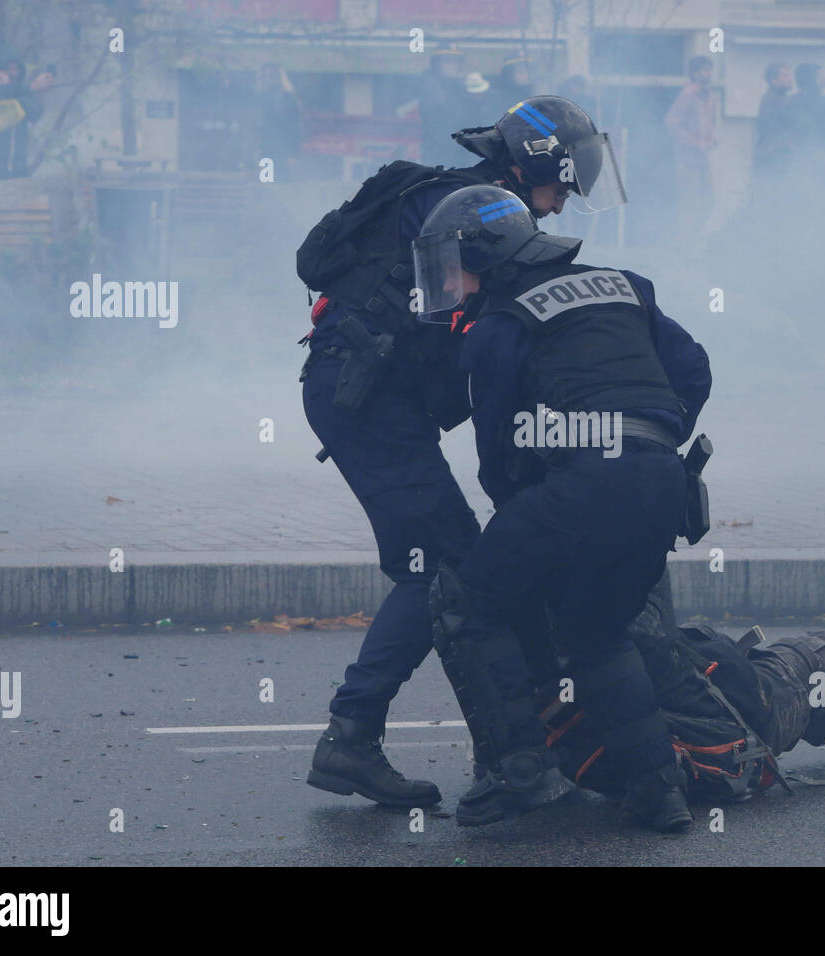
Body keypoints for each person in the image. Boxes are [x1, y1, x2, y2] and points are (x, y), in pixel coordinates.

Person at [297, 98, 627, 809]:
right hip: (366, 398)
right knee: (442, 570)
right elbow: (488, 325)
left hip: (369, 396)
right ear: (533, 166)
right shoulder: (477, 212)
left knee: (444, 567)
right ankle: (356, 737)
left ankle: (496, 744)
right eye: (562, 185)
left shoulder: (465, 199)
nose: (563, 202)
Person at [413, 185, 712, 831]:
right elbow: (693, 370)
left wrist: (531, 515)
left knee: (467, 602)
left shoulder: (496, 326)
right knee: (597, 632)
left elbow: (497, 450)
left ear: (488, 258)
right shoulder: (625, 284)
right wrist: (652, 442)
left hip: (582, 486)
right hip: (662, 482)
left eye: (453, 267)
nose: (450, 284)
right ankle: (660, 792)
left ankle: (519, 770)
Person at [543, 587, 825, 801]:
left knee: (775, 676)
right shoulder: (617, 617)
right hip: (747, 727)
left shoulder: (541, 673)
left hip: (688, 770)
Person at [664, 56, 719, 240]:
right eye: (705, 70)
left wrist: (712, 139)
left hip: (703, 157)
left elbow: (710, 124)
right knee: (689, 202)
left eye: (710, 69)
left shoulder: (710, 96)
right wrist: (693, 142)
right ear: (695, 73)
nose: (709, 73)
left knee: (710, 200)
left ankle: (696, 239)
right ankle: (683, 244)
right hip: (688, 158)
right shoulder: (688, 94)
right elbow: (671, 122)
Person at [0, 55, 43, 179]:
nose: (14, 73)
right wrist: (8, 90)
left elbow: (35, 112)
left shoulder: (24, 91)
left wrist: (12, 91)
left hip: (18, 161)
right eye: (9, 69)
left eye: (16, 69)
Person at [753, 62, 794, 182]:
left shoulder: (782, 99)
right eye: (784, 76)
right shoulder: (772, 101)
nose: (789, 79)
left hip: (777, 155)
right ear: (773, 80)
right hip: (773, 157)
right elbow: (772, 131)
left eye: (789, 75)